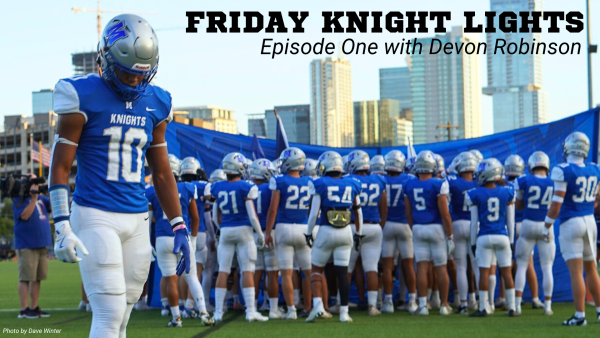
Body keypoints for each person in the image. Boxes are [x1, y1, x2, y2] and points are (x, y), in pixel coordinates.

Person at [49, 14, 191, 338]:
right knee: (109, 312)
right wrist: (61, 225)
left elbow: (162, 171)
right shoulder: (80, 94)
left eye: (141, 75)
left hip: (138, 217)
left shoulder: (158, 101)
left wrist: (178, 223)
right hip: (96, 213)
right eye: (127, 73)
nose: (134, 82)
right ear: (106, 58)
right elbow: (59, 166)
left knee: (124, 314)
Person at [147, 155, 212, 327]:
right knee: (191, 277)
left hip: (162, 238)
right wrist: (194, 239)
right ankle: (204, 314)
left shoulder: (152, 190)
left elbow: (148, 219)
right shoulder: (187, 188)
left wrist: (148, 242)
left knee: (170, 279)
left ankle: (176, 318)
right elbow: (195, 218)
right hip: (182, 236)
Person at [543, 132, 600, 326]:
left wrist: (546, 226)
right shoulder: (594, 169)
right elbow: (596, 198)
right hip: (589, 221)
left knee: (576, 272)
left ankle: (580, 316)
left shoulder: (563, 169)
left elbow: (556, 203)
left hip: (571, 223)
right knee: (592, 269)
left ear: (568, 147)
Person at [304, 151, 363, 323]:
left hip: (326, 230)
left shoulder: (319, 183)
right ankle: (344, 313)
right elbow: (358, 212)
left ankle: (318, 306)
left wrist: (308, 232)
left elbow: (314, 213)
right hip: (346, 232)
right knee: (342, 272)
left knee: (316, 269)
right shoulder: (352, 183)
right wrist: (359, 234)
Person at [210, 152, 268, 323]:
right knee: (247, 270)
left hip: (226, 230)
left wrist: (221, 229)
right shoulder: (246, 186)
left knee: (223, 270)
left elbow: (214, 217)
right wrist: (259, 233)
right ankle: (251, 311)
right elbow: (252, 216)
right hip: (244, 231)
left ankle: (218, 312)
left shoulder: (217, 187)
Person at [404, 150, 454, 316]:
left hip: (418, 227)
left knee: (422, 268)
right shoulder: (438, 184)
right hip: (436, 227)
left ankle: (423, 305)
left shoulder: (409, 184)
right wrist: (450, 235)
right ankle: (444, 305)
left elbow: (408, 214)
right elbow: (445, 214)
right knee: (441, 268)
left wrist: (415, 228)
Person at [265, 147, 313, 319]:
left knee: (286, 273)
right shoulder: (309, 181)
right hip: (303, 228)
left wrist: (268, 232)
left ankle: (292, 310)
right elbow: (313, 210)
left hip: (284, 228)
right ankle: (313, 306)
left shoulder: (279, 180)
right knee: (309, 272)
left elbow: (272, 210)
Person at [467, 158, 519, 317]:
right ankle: (512, 308)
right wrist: (511, 241)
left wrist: (473, 243)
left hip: (484, 236)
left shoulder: (474, 193)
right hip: (502, 236)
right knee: (507, 273)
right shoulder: (507, 192)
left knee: (484, 272)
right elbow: (511, 221)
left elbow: (474, 222)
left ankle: (483, 307)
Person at [346, 150, 387, 316]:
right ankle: (372, 306)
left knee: (347, 267)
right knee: (371, 268)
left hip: (354, 226)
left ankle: (343, 305)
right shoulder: (378, 180)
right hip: (374, 226)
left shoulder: (348, 180)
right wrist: (380, 226)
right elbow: (383, 207)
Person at [514, 151, 555, 315]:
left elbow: (518, 206)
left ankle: (516, 305)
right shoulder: (554, 182)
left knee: (522, 265)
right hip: (546, 224)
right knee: (547, 267)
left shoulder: (523, 180)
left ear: (531, 165)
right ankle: (548, 307)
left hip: (528, 223)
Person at [381, 150, 417, 313]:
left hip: (387, 225)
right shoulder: (409, 180)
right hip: (404, 225)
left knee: (388, 266)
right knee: (408, 265)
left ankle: (388, 302)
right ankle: (412, 301)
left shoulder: (380, 180)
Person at [504, 154, 543, 310]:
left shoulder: (503, 184)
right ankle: (535, 298)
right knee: (529, 264)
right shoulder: (526, 181)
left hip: (510, 226)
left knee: (507, 264)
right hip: (526, 224)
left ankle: (506, 299)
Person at [248, 159, 284, 319]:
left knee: (256, 272)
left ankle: (253, 307)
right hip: (270, 232)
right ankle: (273, 309)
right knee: (272, 272)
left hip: (252, 233)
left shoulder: (247, 188)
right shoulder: (271, 189)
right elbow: (274, 210)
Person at [13, 176, 52, 319]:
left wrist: (51, 190)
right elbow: (24, 216)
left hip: (42, 243)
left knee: (37, 278)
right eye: (33, 182)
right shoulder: (19, 198)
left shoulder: (42, 198)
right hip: (27, 243)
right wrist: (34, 199)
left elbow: (53, 206)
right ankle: (24, 309)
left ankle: (34, 307)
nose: (36, 185)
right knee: (25, 277)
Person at [179, 156, 214, 314]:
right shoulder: (204, 186)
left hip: (178, 232)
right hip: (197, 231)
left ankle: (181, 304)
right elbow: (205, 214)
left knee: (182, 270)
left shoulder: (178, 186)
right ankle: (190, 305)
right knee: (196, 270)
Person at [446, 152, 479, 314]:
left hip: (458, 223)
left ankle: (464, 304)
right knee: (477, 265)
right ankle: (484, 301)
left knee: (461, 267)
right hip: (476, 225)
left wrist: (449, 169)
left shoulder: (453, 182)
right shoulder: (480, 182)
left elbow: (442, 178)